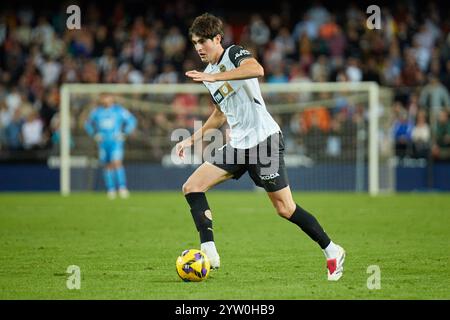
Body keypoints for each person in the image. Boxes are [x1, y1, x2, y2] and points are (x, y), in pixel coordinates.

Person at [176, 13, 345, 281]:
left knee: (285, 209)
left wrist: (220, 77)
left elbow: (257, 69)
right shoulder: (207, 75)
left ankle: (332, 250)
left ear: (217, 39)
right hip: (238, 145)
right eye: (195, 42)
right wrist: (192, 138)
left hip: (264, 141)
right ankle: (209, 250)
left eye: (203, 42)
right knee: (192, 186)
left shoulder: (233, 54)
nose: (198, 47)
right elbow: (220, 114)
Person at [85, 93, 137, 199]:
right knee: (107, 165)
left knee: (117, 163)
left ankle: (122, 188)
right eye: (104, 98)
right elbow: (87, 124)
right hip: (103, 142)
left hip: (116, 142)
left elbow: (132, 120)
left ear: (112, 99)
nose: (106, 100)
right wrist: (94, 134)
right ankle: (111, 189)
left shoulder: (119, 110)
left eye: (107, 97)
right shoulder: (97, 112)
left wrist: (124, 132)